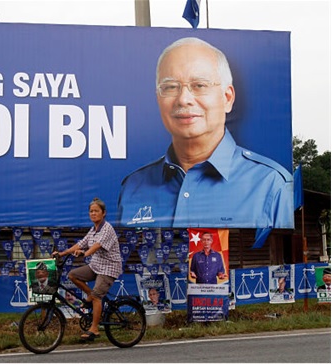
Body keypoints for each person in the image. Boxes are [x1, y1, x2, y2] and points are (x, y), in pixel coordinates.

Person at [117, 37, 293, 229]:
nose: (184, 99)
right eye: (170, 87)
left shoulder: (272, 186)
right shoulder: (133, 188)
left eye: (199, 85)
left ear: (227, 98)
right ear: (158, 98)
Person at [53, 197, 122, 341]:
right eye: (91, 211)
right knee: (73, 275)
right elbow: (81, 243)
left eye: (96, 211)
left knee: (97, 297)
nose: (93, 214)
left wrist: (85, 253)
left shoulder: (107, 228)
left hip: (109, 268)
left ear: (103, 213)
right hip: (96, 265)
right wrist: (62, 253)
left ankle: (95, 328)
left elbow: (96, 245)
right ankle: (91, 295)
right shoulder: (93, 229)